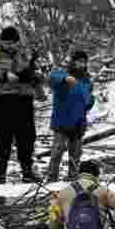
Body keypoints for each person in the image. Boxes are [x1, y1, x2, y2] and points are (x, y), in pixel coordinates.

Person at [0, 26, 44, 183]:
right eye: (6, 43)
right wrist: (4, 75)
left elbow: (37, 73)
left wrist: (35, 76)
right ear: (1, 42)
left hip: (24, 100)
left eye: (12, 43)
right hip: (3, 100)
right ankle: (0, 175)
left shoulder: (25, 55)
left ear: (17, 42)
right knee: (5, 136)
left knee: (27, 137)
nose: (9, 46)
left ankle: (27, 171)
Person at [47, 49, 94, 182]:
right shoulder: (62, 74)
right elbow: (51, 78)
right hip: (61, 120)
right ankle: (52, 177)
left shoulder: (86, 80)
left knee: (76, 153)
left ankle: (73, 178)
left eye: (84, 62)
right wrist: (65, 78)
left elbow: (88, 99)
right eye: (79, 62)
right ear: (72, 62)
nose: (82, 65)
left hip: (78, 121)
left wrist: (90, 101)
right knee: (58, 150)